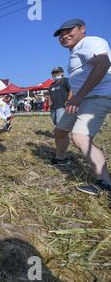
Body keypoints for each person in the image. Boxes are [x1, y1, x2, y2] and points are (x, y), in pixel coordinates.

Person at [52, 18, 111, 195]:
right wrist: (72, 98)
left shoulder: (90, 42)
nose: (64, 36)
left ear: (82, 28)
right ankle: (61, 158)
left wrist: (79, 96)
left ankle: (105, 183)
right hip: (81, 98)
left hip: (97, 96)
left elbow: (103, 64)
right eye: (61, 35)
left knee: (80, 137)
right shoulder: (75, 53)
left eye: (69, 31)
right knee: (60, 130)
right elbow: (79, 80)